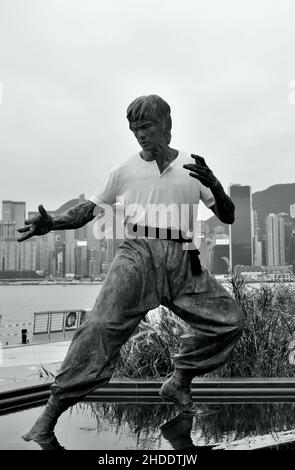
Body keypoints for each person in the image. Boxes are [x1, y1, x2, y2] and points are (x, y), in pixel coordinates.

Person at [18, 94, 245, 446]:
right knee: (98, 328)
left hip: (184, 256)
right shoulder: (124, 169)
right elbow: (88, 211)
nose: (139, 134)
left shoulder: (192, 166)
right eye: (134, 128)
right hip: (137, 255)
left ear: (166, 125)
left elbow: (228, 216)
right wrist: (55, 223)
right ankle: (49, 414)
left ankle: (179, 381)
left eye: (146, 126)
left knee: (229, 320)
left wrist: (214, 183)